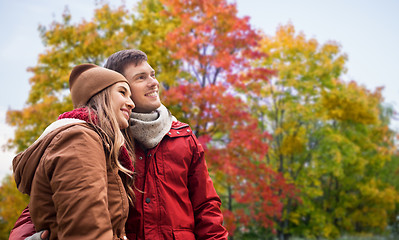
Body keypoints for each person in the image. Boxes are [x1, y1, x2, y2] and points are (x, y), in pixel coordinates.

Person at [10, 50, 228, 240]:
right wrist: (23, 237)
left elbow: (206, 206)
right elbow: (62, 196)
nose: (154, 82)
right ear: (115, 87)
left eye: (152, 75)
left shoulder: (182, 137)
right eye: (141, 78)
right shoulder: (101, 137)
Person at [11, 64, 136, 240]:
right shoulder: (80, 139)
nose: (132, 103)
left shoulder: (92, 140)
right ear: (99, 96)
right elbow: (87, 232)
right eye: (122, 92)